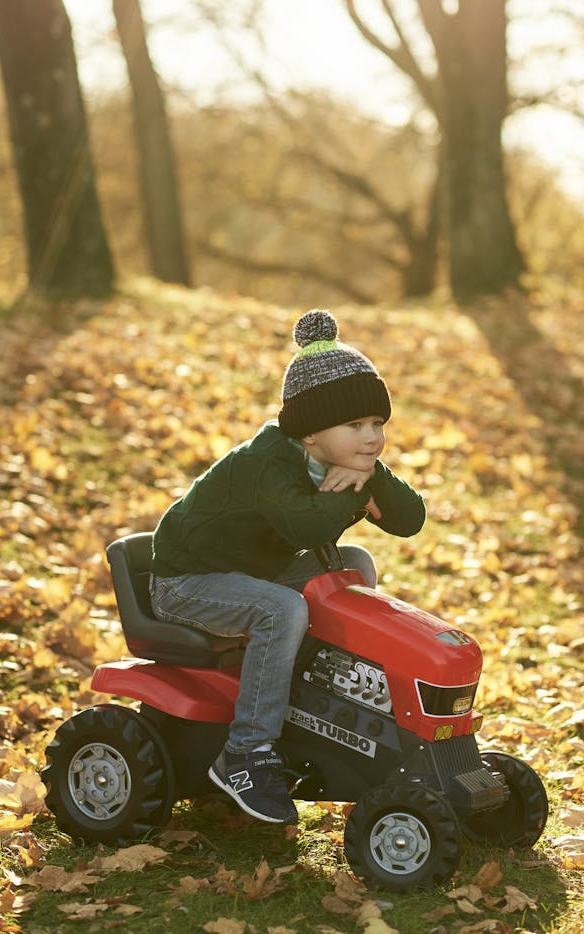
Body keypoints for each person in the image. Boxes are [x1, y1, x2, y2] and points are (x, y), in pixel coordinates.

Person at [149, 309, 425, 824]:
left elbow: (409, 519)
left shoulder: (346, 459)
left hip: (251, 571)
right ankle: (245, 753)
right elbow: (305, 529)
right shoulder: (267, 461)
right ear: (311, 431)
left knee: (353, 564)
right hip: (188, 582)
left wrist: (369, 480)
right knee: (280, 609)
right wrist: (352, 497)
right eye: (355, 425)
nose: (372, 438)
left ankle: (322, 693)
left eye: (377, 425)